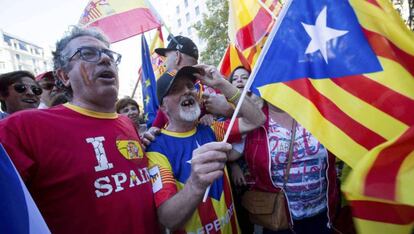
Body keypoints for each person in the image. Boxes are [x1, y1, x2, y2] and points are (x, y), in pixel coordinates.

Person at [0, 26, 160, 233]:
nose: (105, 60)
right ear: (64, 76)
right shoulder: (23, 128)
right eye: (88, 54)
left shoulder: (127, 123)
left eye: (109, 55)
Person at [146, 65, 266, 233]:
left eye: (190, 86)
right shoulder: (156, 149)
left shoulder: (211, 129)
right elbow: (168, 219)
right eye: (176, 89)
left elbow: (257, 119)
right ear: (163, 107)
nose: (187, 91)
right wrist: (196, 184)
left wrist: (222, 84)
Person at [239, 98, 340, 233]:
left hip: (321, 213)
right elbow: (229, 152)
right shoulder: (254, 121)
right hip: (279, 217)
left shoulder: (317, 114)